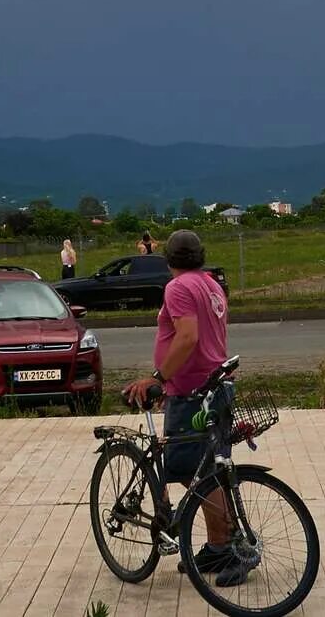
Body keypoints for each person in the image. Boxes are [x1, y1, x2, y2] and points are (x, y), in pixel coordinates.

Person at [121, 230, 247, 587]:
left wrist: (158, 376)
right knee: (205, 472)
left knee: (197, 473)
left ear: (169, 260)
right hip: (212, 387)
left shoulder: (177, 287)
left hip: (193, 392)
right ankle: (218, 546)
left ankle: (232, 548)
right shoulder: (210, 284)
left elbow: (189, 336)